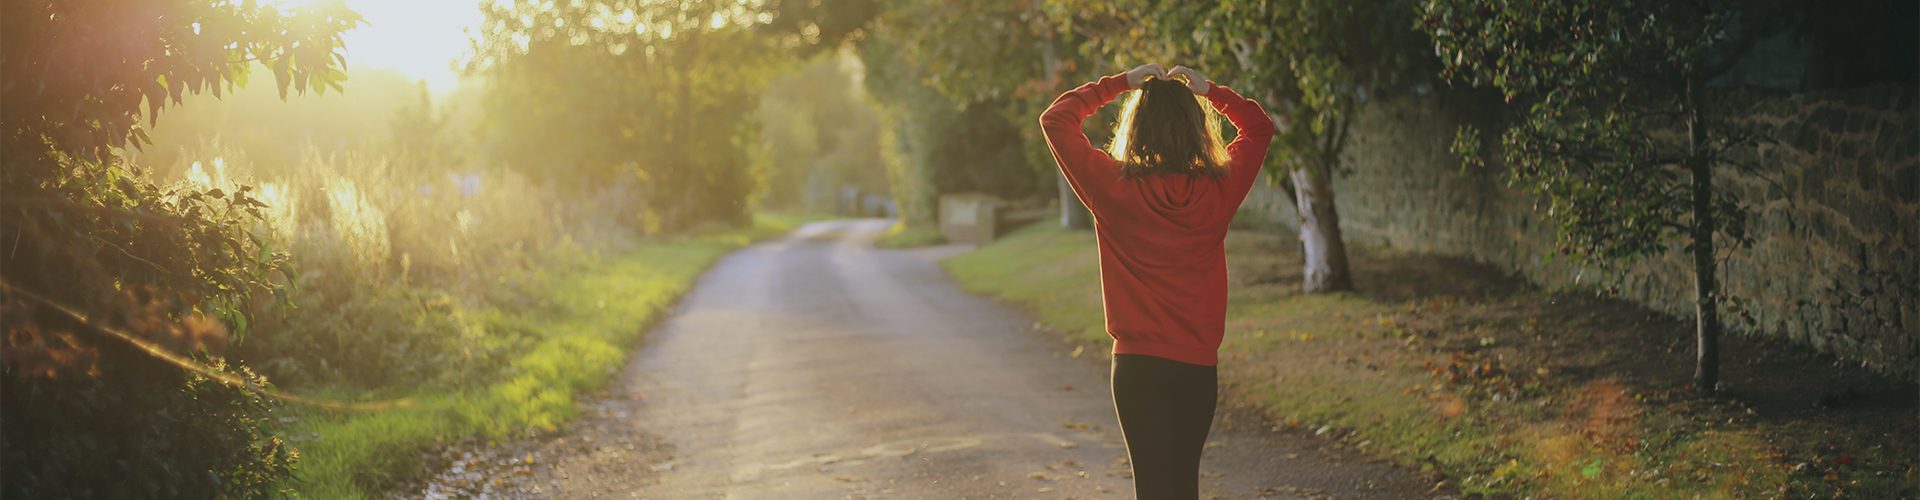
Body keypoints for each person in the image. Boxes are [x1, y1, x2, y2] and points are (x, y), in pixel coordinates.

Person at [1038, 63, 1274, 499]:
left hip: (1137, 366)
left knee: (1152, 489)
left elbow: (1056, 119)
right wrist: (1210, 91)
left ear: (1137, 127)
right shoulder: (1218, 189)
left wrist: (1120, 83)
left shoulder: (1113, 186)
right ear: (1196, 129)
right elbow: (1259, 128)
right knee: (1184, 487)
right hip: (1196, 367)